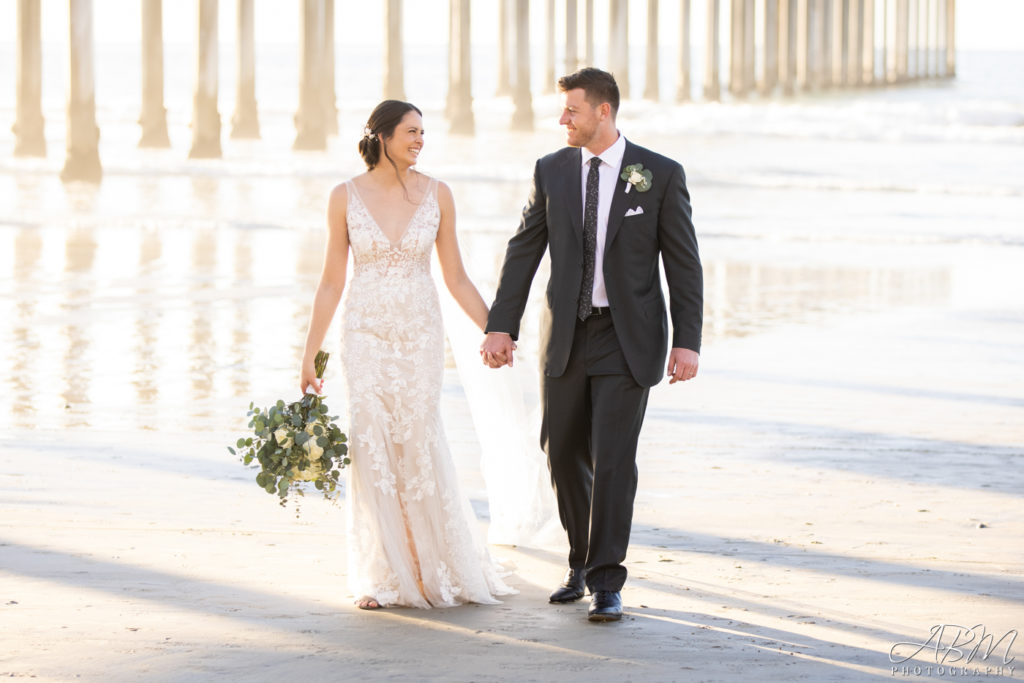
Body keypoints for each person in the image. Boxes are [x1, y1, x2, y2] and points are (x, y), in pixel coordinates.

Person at [481, 68, 703, 623]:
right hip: (566, 334)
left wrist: (688, 342)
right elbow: (524, 250)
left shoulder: (659, 174)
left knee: (613, 460)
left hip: (628, 338)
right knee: (560, 450)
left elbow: (684, 265)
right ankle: (579, 561)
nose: (562, 120)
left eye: (572, 110)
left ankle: (606, 580)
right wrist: (501, 324)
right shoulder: (552, 170)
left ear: (603, 111)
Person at [300, 100, 515, 610]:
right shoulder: (344, 196)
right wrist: (310, 355)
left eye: (423, 132)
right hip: (364, 334)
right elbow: (331, 282)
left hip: (419, 334)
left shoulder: (438, 194)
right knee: (371, 441)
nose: (420, 140)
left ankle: (427, 565)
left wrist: (496, 330)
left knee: (417, 440)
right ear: (382, 136)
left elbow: (455, 277)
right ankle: (381, 574)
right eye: (411, 131)